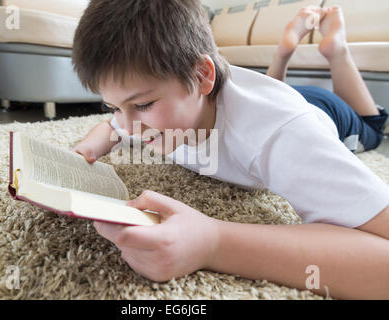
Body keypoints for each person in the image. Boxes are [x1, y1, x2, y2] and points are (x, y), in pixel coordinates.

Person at [71, 0, 389, 299]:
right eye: (112, 106)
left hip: (330, 112)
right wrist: (88, 147)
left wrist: (214, 242)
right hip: (266, 94)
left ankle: (337, 50)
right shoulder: (147, 113)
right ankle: (281, 58)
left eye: (142, 104)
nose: (127, 127)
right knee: (273, 97)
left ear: (202, 76)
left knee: (372, 126)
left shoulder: (280, 133)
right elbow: (109, 130)